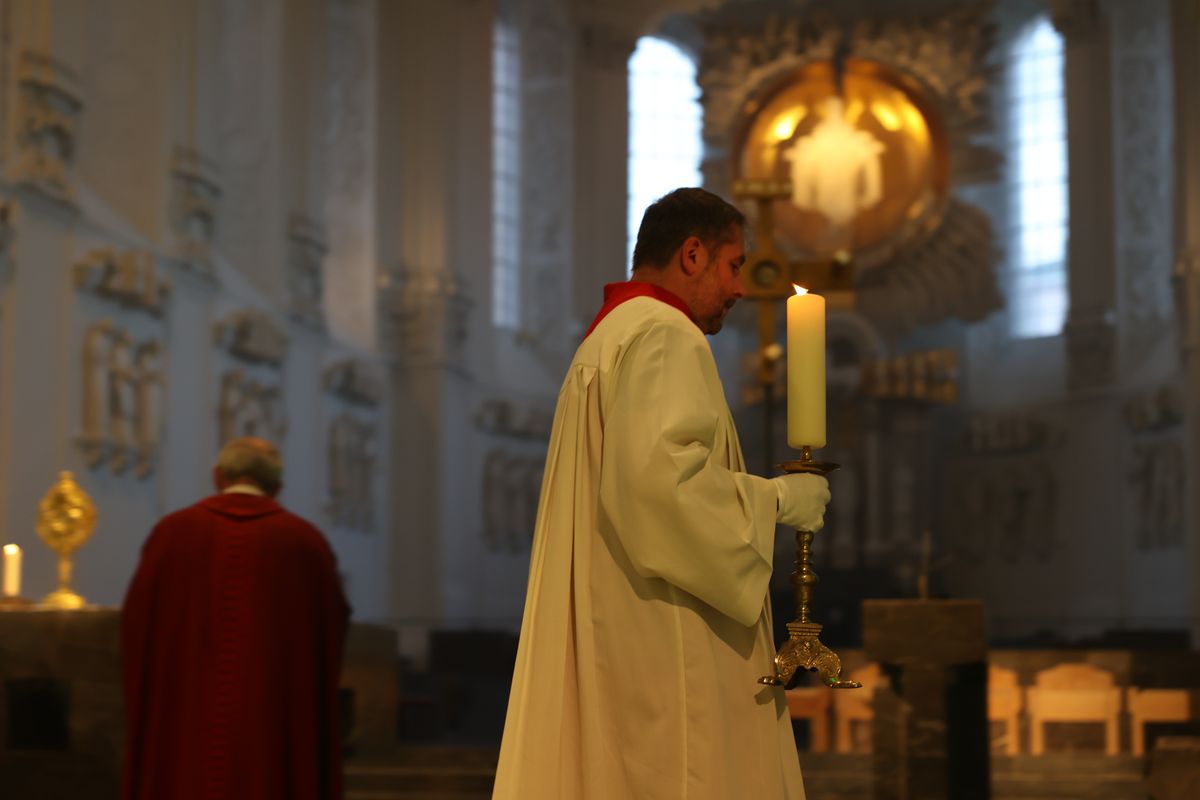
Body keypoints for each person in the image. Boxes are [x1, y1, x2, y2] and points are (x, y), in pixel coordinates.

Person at [493, 188, 831, 799]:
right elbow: (660, 489)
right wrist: (778, 501)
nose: (740, 289)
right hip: (666, 638)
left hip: (620, 618)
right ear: (693, 254)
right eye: (734, 266)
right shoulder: (666, 335)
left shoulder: (608, 337)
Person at [122, 437, 350, 800]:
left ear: (217, 477)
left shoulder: (171, 534)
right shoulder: (306, 543)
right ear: (277, 487)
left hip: (185, 724)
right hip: (272, 731)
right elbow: (329, 634)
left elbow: (136, 627)